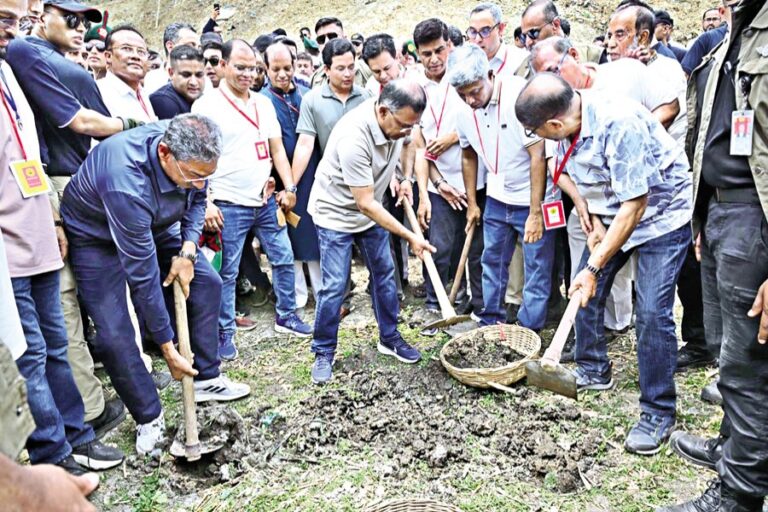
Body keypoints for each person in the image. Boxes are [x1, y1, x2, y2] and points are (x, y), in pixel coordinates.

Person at [515, 73, 692, 455]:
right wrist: (592, 218)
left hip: (661, 215)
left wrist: (596, 265)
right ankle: (593, 368)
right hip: (614, 211)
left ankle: (658, 411)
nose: (536, 138)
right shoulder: (569, 125)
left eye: (536, 131)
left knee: (650, 311)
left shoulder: (618, 122)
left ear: (555, 123)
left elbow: (637, 204)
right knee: (582, 292)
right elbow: (584, 176)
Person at [61, 114, 252, 456]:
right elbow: (143, 278)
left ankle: (206, 377)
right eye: (193, 175)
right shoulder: (125, 179)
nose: (199, 182)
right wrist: (168, 349)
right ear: (164, 153)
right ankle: (149, 416)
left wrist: (188, 250)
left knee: (206, 282)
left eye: (206, 175)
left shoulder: (191, 156)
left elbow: (196, 200)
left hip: (157, 221)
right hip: (96, 236)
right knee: (114, 332)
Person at [0, 0, 125, 473]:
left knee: (54, 343)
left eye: (13, 21)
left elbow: (29, 155)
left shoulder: (10, 74)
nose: (8, 31)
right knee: (28, 353)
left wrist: (52, 220)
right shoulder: (25, 58)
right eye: (1, 19)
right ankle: (53, 453)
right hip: (7, 245)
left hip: (37, 225)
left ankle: (77, 435)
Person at [659, 0, 768, 509]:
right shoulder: (736, 29)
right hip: (721, 211)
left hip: (754, 218)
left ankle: (739, 495)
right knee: (728, 353)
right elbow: (712, 132)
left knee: (749, 368)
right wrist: (702, 214)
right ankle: (732, 448)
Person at [307, 79, 433, 384]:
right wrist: (411, 236)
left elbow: (408, 143)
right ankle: (323, 350)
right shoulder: (354, 136)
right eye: (404, 125)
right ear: (382, 111)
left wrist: (402, 177)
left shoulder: (399, 123)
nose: (408, 131)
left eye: (412, 125)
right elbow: (365, 203)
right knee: (335, 285)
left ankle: (389, 337)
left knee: (385, 274)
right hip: (336, 213)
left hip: (368, 210)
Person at [193, 39, 312, 361]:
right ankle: (224, 332)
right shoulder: (206, 107)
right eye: (240, 67)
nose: (247, 74)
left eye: (253, 68)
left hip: (266, 198)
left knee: (284, 257)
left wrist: (289, 187)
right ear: (223, 66)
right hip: (227, 203)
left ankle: (287, 315)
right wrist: (207, 202)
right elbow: (197, 158)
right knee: (227, 271)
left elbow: (275, 149)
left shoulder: (262, 103)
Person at [447, 44, 554, 332]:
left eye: (474, 91)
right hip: (496, 197)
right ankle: (491, 317)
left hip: (533, 197)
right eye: (462, 94)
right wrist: (472, 202)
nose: (469, 100)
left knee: (536, 266)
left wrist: (535, 212)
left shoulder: (520, 96)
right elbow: (468, 155)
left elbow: (538, 155)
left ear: (490, 75)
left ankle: (529, 329)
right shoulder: (463, 111)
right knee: (491, 258)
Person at [291, 38, 373, 318]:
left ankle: (382, 303)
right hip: (334, 189)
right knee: (334, 259)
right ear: (326, 69)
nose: (348, 74)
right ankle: (335, 305)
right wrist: (291, 184)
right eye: (341, 68)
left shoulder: (366, 98)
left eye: (352, 67)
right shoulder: (312, 100)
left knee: (377, 257)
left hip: (366, 184)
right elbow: (305, 144)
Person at [412, 19, 484, 322]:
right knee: (441, 246)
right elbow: (418, 141)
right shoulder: (414, 86)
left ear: (450, 45)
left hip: (476, 180)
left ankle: (476, 303)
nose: (434, 59)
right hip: (437, 183)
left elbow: (479, 121)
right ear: (417, 54)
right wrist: (437, 185)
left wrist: (455, 136)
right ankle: (436, 303)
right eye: (426, 53)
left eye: (439, 50)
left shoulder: (464, 76)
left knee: (476, 250)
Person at [261, 42, 321, 311]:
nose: (283, 74)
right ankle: (296, 297)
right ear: (266, 69)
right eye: (276, 69)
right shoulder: (261, 101)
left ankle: (323, 294)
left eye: (287, 68)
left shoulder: (309, 96)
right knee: (289, 235)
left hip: (312, 176)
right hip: (279, 179)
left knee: (316, 234)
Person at [606, 1, 687, 143]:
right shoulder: (608, 71)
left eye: (620, 35)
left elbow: (677, 129)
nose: (610, 44)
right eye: (609, 35)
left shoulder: (668, 69)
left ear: (643, 37)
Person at [98, 25, 157, 123]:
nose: (136, 56)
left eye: (141, 52)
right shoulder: (99, 93)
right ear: (108, 56)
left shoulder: (143, 93)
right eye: (126, 49)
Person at [466, 2, 526, 78]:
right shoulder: (462, 62)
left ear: (500, 29)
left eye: (485, 31)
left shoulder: (521, 62)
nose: (478, 39)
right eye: (473, 32)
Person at [309, 16, 370, 88]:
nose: (327, 42)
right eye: (321, 39)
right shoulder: (316, 78)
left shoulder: (367, 69)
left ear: (345, 38)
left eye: (332, 36)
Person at [150, 44, 205, 119]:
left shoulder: (205, 97)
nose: (194, 82)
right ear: (171, 73)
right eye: (186, 75)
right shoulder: (162, 101)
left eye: (199, 75)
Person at [681, 1, 733, 77]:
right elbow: (686, 72)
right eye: (708, 20)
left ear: (722, 18)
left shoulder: (731, 35)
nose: (711, 22)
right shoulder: (703, 39)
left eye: (715, 19)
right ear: (703, 22)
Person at [144, 22, 199, 94]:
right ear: (170, 47)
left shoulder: (203, 80)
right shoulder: (151, 79)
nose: (197, 51)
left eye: (199, 47)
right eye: (191, 45)